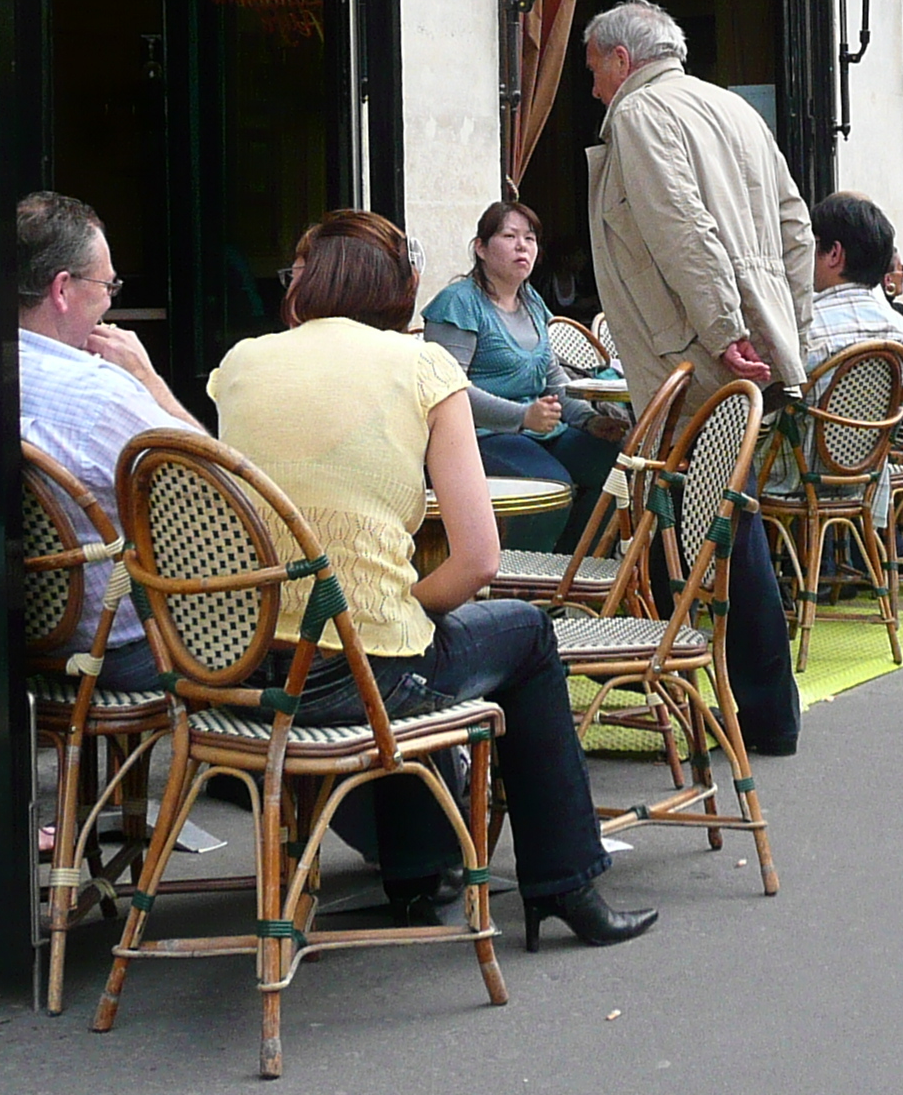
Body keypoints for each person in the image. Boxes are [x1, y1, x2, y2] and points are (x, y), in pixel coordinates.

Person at [207, 209, 654, 949]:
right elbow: (477, 561)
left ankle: (420, 868)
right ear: (403, 288)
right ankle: (564, 882)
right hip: (357, 674)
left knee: (398, 642)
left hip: (246, 663)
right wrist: (391, 607)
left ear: (304, 283)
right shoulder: (424, 368)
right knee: (519, 633)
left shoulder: (243, 363)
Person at [578, 0, 811, 753]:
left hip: (695, 351)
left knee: (702, 530)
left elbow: (682, 228)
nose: (592, 90)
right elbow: (795, 228)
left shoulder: (643, 115)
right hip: (747, 343)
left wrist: (724, 329)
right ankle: (756, 712)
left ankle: (705, 700)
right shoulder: (734, 110)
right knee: (723, 522)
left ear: (621, 60)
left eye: (593, 71)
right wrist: (788, 329)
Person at [0, 193, 199, 687]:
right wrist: (151, 382)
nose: (109, 302)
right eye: (108, 286)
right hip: (111, 648)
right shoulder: (101, 395)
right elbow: (219, 491)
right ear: (61, 289)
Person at [418, 201, 624, 545]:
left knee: (618, 464)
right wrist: (522, 416)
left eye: (530, 238)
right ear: (481, 248)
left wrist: (588, 420)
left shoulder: (531, 301)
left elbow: (553, 381)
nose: (522, 246)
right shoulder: (459, 303)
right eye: (509, 236)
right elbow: (449, 389)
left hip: (539, 432)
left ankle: (573, 567)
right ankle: (521, 580)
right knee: (549, 486)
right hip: (478, 436)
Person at [785, 193, 903, 520]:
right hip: (869, 481)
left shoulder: (802, 333)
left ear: (833, 253)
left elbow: (766, 414)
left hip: (794, 477)